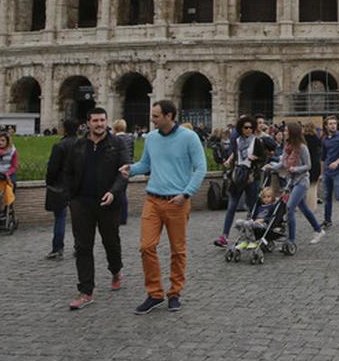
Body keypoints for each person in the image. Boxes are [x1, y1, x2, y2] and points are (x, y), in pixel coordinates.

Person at [120, 100, 206, 315]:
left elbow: (200, 167)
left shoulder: (189, 138)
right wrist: (130, 169)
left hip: (177, 202)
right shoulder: (152, 138)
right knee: (146, 246)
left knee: (178, 250)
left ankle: (175, 293)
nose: (152, 119)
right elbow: (146, 164)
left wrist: (186, 193)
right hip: (153, 199)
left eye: (156, 116)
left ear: (169, 116)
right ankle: (154, 293)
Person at [63, 108, 129, 311]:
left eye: (102, 120)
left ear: (107, 121)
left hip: (107, 202)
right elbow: (67, 172)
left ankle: (116, 269)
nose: (99, 124)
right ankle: (86, 291)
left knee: (111, 241)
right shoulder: (78, 145)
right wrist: (69, 197)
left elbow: (124, 172)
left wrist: (114, 192)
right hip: (82, 202)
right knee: (82, 247)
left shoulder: (117, 144)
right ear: (88, 123)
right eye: (95, 120)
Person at [267, 122, 325, 248]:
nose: (284, 133)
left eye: (286, 131)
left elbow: (308, 166)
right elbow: (282, 163)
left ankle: (291, 239)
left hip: (302, 181)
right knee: (304, 208)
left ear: (293, 133)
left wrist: (296, 169)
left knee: (289, 208)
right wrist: (271, 167)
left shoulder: (302, 147)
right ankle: (319, 230)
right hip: (291, 182)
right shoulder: (287, 146)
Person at [215, 115, 266, 248]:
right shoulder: (237, 141)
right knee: (232, 206)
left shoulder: (256, 141)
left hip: (251, 177)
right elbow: (236, 154)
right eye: (245, 127)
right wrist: (229, 161)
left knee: (252, 206)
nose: (248, 130)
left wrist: (255, 158)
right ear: (241, 128)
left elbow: (263, 158)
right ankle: (224, 236)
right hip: (238, 175)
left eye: (250, 127)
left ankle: (253, 235)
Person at [43, 119, 79, 260]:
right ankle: (79, 247)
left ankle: (57, 249)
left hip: (61, 186)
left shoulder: (59, 145)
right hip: (78, 185)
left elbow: (52, 168)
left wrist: (49, 182)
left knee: (60, 218)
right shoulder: (83, 144)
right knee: (78, 219)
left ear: (64, 129)